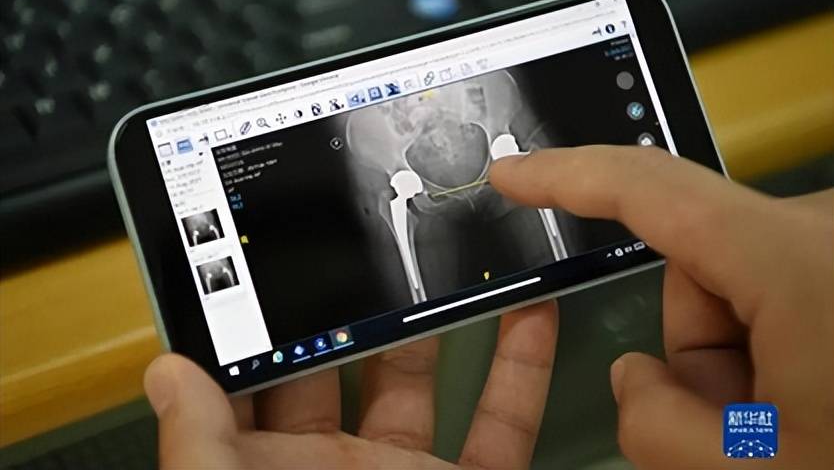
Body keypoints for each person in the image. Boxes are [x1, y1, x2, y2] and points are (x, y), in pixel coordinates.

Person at [144, 146, 833, 469]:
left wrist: (760, 442)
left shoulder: (761, 436)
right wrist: (763, 441)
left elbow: (758, 442)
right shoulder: (765, 427)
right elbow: (763, 438)